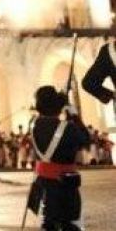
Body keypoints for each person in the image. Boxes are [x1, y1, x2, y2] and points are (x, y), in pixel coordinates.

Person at [29, 86, 90, 231]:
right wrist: (74, 116)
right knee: (69, 223)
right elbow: (86, 140)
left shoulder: (33, 125)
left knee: (49, 221)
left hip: (44, 182)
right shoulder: (67, 127)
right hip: (65, 184)